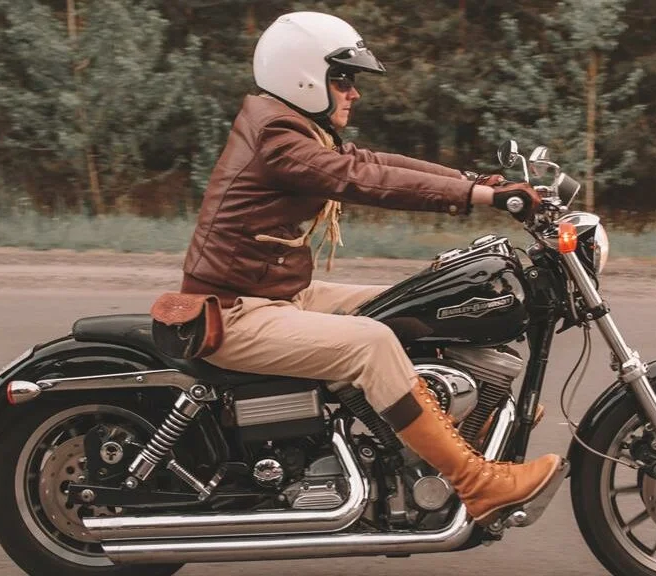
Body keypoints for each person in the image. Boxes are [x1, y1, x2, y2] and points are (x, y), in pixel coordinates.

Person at [180, 11, 564, 526]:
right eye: (343, 78)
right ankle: (476, 484)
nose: (353, 92)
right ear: (303, 75)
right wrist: (479, 196)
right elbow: (360, 177)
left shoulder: (295, 125)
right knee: (373, 342)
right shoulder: (277, 135)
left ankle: (475, 419)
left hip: (278, 294)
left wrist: (478, 180)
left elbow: (375, 160)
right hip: (236, 312)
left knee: (415, 307)